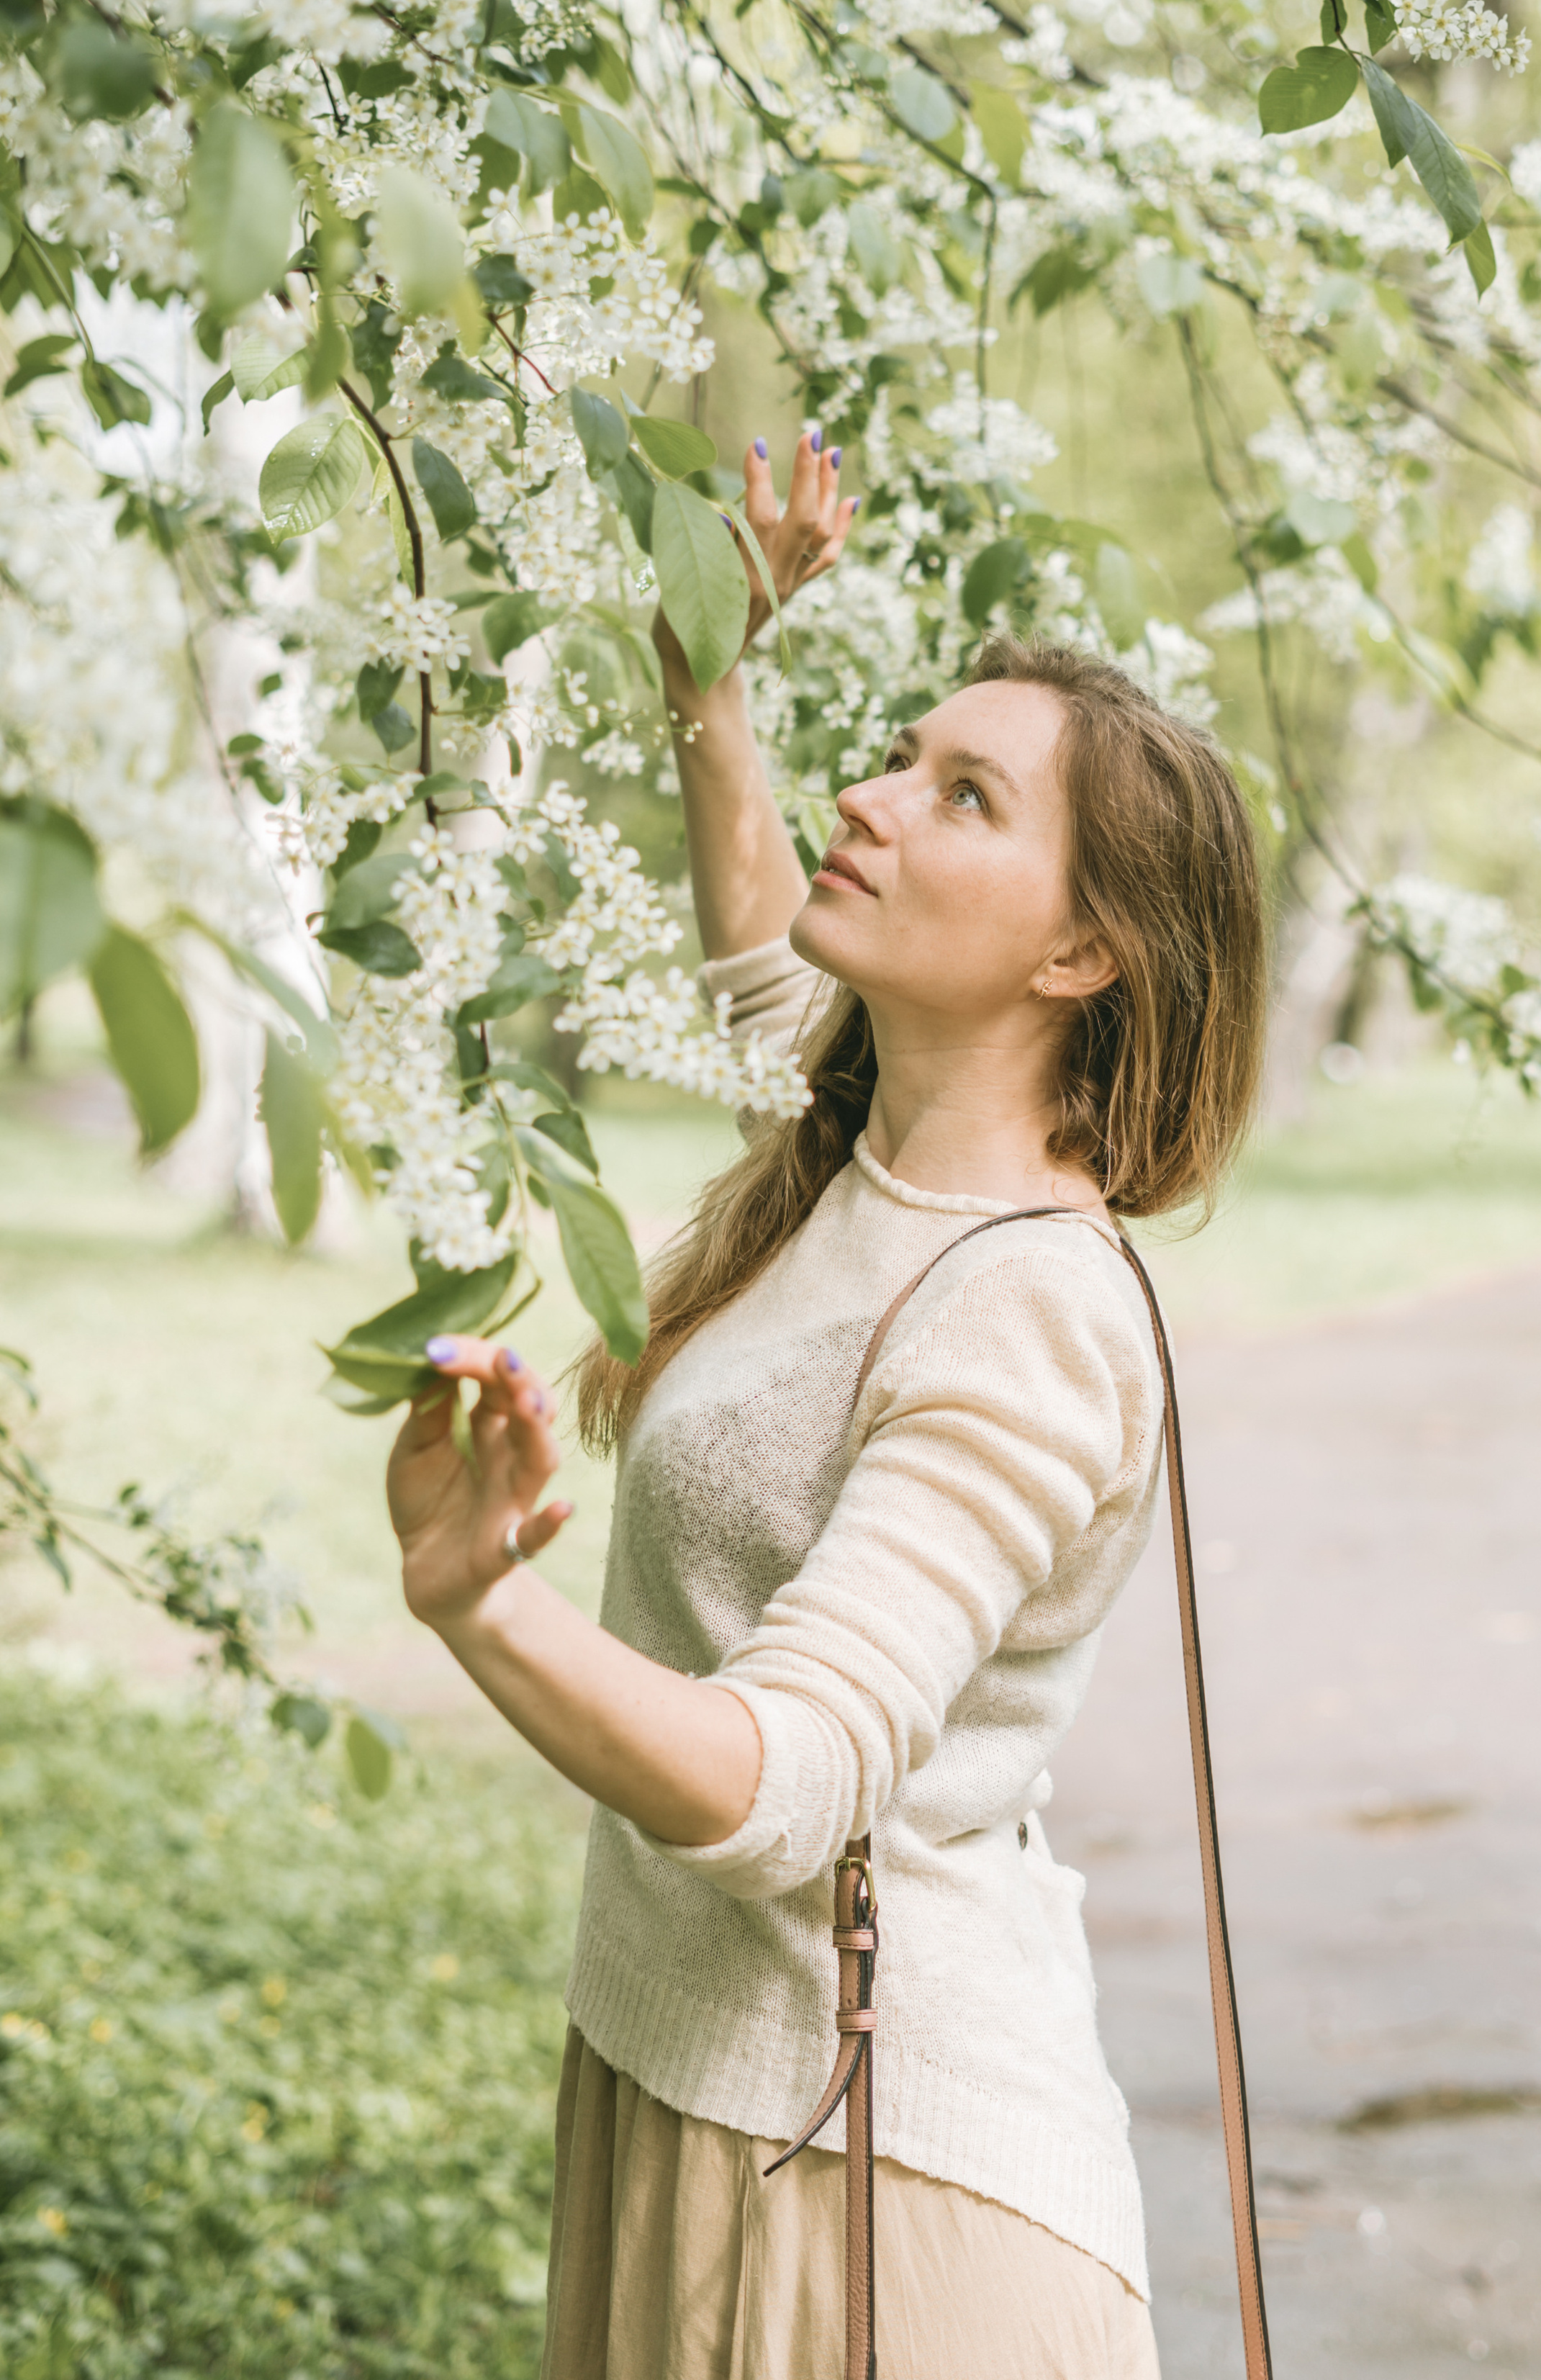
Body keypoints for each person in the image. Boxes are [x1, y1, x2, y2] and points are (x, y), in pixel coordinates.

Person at [386, 429, 1268, 2380]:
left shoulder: (1031, 1310)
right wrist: (711, 663)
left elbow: (786, 1784)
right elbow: (755, 945)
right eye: (899, 756)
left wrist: (479, 1602)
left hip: (878, 2181)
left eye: (964, 796)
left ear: (1081, 948)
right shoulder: (861, 1140)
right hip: (711, 2090)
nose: (871, 797)